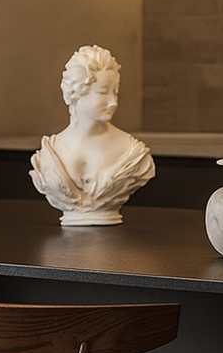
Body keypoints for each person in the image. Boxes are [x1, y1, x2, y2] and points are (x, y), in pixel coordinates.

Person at [30, 45, 155, 226]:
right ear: (77, 92)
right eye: (103, 92)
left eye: (116, 91)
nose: (113, 101)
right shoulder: (50, 152)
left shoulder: (132, 151)